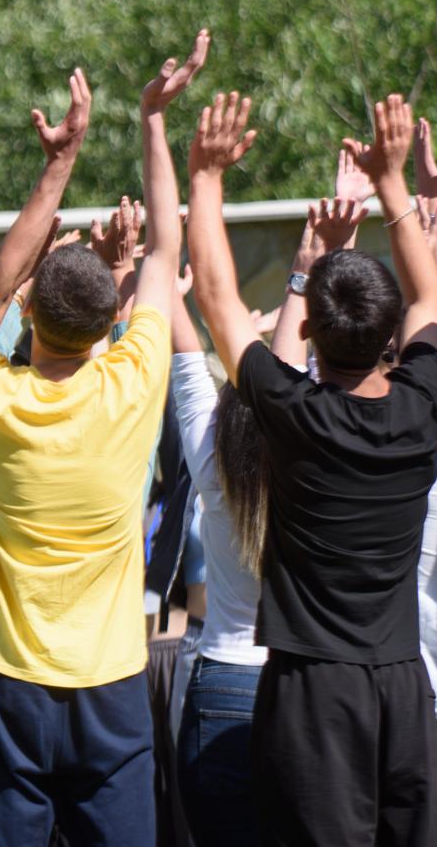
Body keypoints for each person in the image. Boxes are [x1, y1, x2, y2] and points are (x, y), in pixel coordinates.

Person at [0, 36, 203, 844]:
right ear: (113, 320)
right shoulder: (135, 378)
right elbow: (165, 248)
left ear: (30, 316)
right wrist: (153, 119)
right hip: (112, 687)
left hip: (5, 691)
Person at [188, 88, 437, 846]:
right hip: (404, 684)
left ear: (307, 327)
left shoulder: (294, 411)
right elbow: (431, 292)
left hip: (312, 690)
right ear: (389, 337)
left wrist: (206, 176)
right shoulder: (421, 407)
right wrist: (393, 179)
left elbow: (214, 294)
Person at [167, 285, 269, 842]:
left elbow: (187, 369)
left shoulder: (213, 467)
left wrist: (159, 284)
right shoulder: (315, 470)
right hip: (297, 686)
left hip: (223, 682)